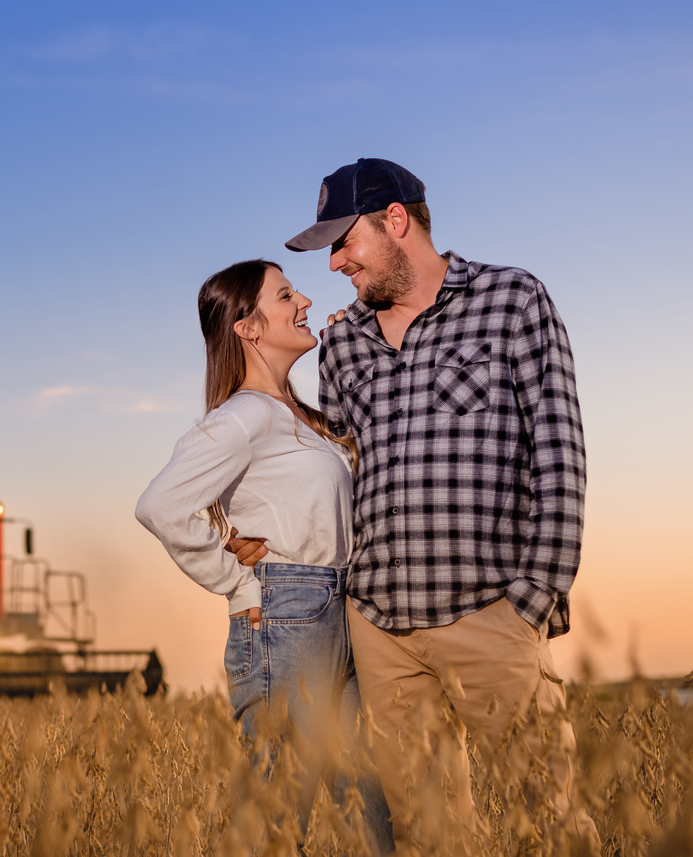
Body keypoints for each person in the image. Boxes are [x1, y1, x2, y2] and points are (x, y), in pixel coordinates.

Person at [231, 157, 596, 848]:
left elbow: (560, 455)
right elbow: (336, 470)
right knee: (427, 835)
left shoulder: (512, 300)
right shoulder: (342, 344)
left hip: (491, 615)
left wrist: (533, 597)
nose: (335, 262)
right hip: (381, 633)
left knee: (548, 819)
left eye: (345, 241)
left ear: (396, 221)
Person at [136, 259, 394, 852]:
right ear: (248, 328)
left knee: (369, 809)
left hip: (338, 607)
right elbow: (160, 505)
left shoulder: (296, 416)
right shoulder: (244, 415)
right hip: (288, 612)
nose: (303, 299)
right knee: (281, 808)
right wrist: (238, 583)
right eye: (285, 295)